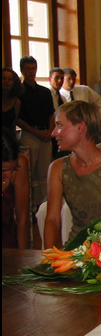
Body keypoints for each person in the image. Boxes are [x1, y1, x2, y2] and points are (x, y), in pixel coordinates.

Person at [43, 100, 101, 249]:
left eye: (59, 125)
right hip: (73, 249)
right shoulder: (57, 168)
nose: (53, 133)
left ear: (80, 127)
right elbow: (52, 219)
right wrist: (50, 257)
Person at [16, 56, 55, 212]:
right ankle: (30, 206)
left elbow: (52, 113)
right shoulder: (18, 93)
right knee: (30, 172)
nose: (31, 72)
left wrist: (50, 132)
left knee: (45, 171)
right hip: (29, 134)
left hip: (46, 134)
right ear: (22, 71)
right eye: (27, 69)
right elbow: (18, 119)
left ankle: (43, 206)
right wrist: (36, 132)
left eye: (33, 68)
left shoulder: (45, 92)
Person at [2, 127, 30, 249]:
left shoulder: (20, 164)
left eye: (13, 169)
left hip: (8, 241)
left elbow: (22, 218)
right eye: (3, 170)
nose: (9, 175)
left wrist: (22, 255)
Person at [2, 68, 23, 133]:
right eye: (4, 78)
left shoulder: (16, 102)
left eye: (10, 79)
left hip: (9, 138)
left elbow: (14, 124)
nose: (7, 81)